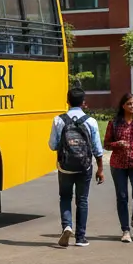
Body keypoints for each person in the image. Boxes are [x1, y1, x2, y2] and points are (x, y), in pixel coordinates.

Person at [48, 87, 104, 247]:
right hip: (84, 167)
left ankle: (67, 225)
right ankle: (80, 237)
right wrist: (100, 169)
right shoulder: (90, 121)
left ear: (67, 101)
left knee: (65, 197)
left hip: (64, 166)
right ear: (83, 102)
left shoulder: (58, 120)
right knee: (82, 200)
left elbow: (52, 145)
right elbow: (97, 149)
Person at [104, 93, 133, 242]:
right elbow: (106, 144)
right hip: (118, 164)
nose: (132, 106)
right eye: (129, 103)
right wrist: (118, 143)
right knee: (122, 196)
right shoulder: (114, 123)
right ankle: (125, 230)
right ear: (123, 105)